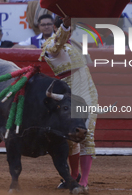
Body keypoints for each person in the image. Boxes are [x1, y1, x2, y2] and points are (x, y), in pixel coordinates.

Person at [39, 16, 98, 193]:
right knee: (72, 138)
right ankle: (74, 176)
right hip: (69, 93)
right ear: (58, 28)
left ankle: (84, 180)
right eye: (67, 27)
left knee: (87, 135)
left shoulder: (75, 42)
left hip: (88, 89)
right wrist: (65, 25)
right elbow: (58, 43)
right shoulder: (50, 44)